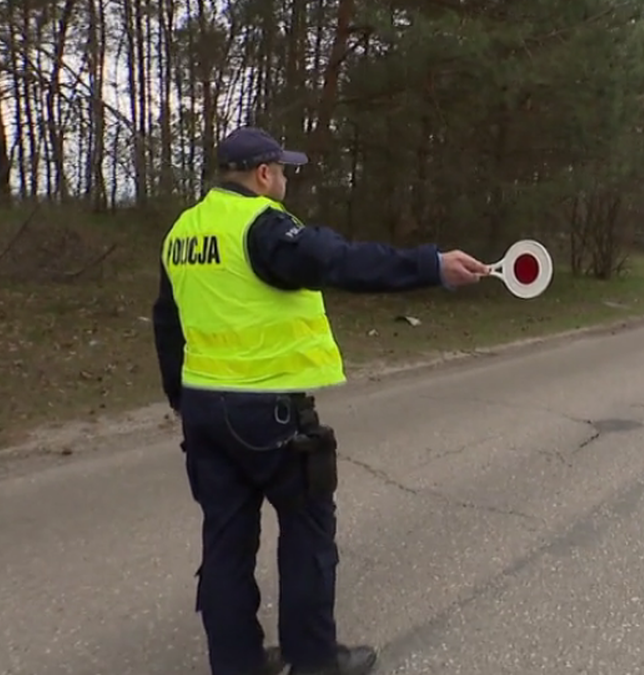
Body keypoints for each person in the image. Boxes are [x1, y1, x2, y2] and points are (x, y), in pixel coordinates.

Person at [151, 126, 488, 675]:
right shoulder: (263, 226)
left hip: (205, 411)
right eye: (282, 169)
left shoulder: (183, 232)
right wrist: (431, 266)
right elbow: (340, 261)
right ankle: (314, 660)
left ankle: (236, 664)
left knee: (225, 545)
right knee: (307, 532)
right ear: (263, 174)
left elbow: (168, 322)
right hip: (266, 411)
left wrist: (180, 398)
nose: (285, 178)